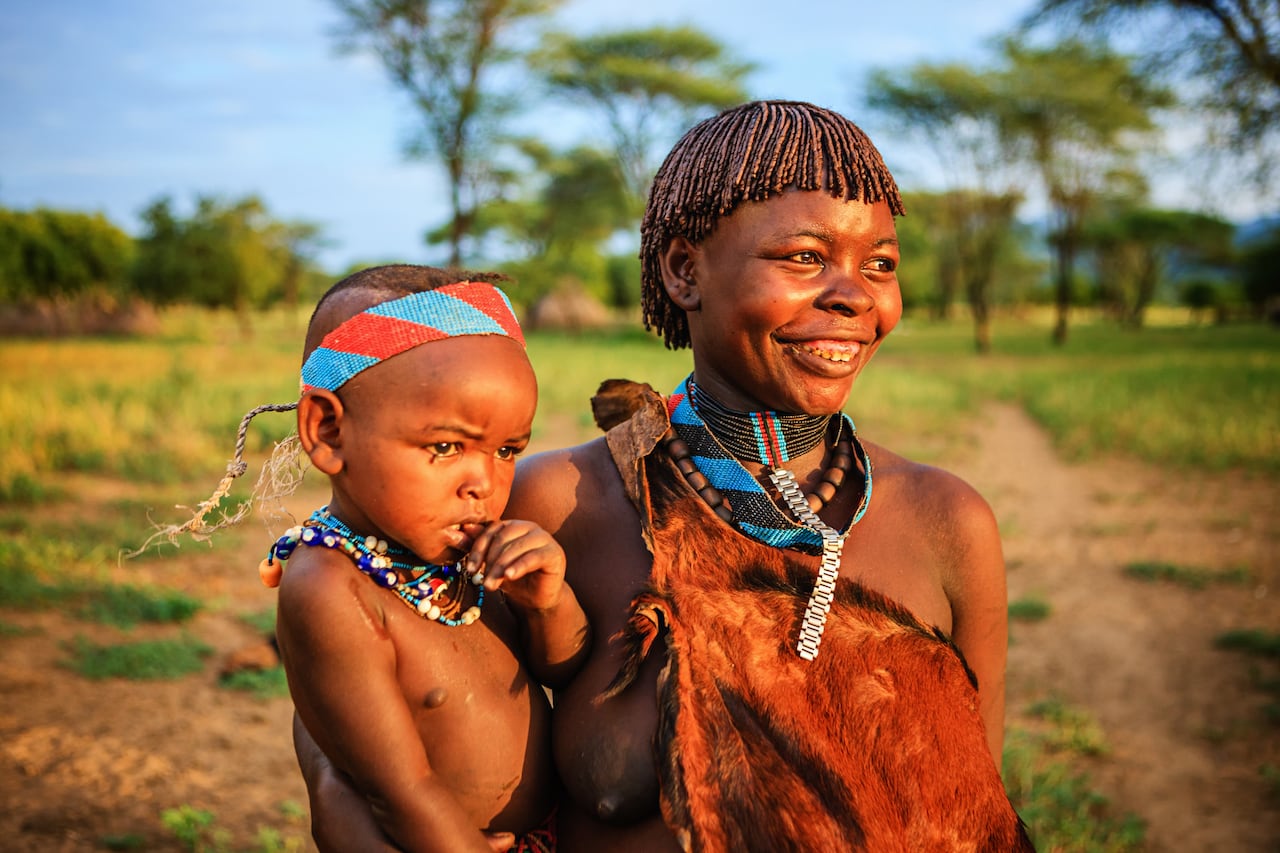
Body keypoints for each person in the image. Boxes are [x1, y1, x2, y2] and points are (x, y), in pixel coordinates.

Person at [299, 101, 1032, 851]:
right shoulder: (555, 507)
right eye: (805, 257)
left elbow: (981, 813)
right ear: (685, 271)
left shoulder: (948, 523)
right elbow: (363, 731)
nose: (855, 294)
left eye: (880, 263)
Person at [171, 265, 590, 852]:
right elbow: (400, 791)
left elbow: (565, 674)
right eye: (445, 447)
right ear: (328, 431)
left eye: (506, 450)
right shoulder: (330, 590)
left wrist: (549, 603)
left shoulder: (467, 551)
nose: (483, 483)